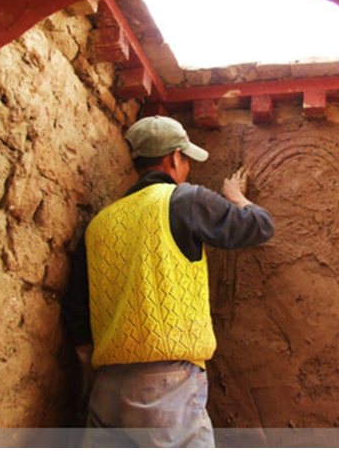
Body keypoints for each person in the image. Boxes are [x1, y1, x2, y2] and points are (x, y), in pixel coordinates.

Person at [61, 115, 274, 447]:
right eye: (185, 159)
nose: (186, 167)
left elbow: (76, 313)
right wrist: (235, 195)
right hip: (166, 386)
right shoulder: (184, 200)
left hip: (107, 385)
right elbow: (259, 225)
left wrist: (94, 378)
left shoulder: (100, 223)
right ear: (175, 157)